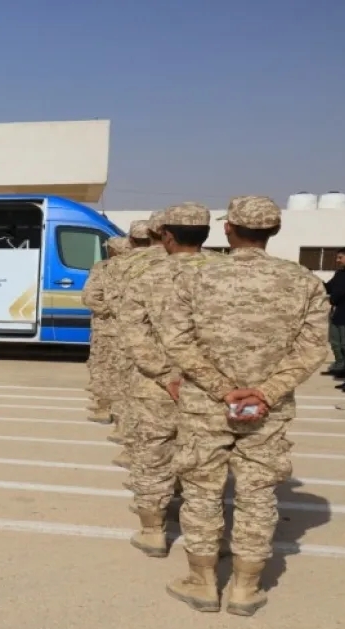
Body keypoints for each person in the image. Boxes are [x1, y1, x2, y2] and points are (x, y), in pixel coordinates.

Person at [159, 196, 329, 616]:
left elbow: (176, 340)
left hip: (205, 406)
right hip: (267, 412)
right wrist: (266, 392)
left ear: (228, 228)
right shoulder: (304, 281)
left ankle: (202, 583)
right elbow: (313, 349)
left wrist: (222, 389)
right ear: (275, 231)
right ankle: (245, 589)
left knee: (202, 491)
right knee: (257, 495)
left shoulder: (196, 277)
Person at [118, 203, 225, 558]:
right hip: (213, 387)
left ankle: (153, 531)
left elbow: (133, 333)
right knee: (207, 461)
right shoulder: (224, 272)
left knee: (154, 453)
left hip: (157, 384)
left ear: (166, 235)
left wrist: (166, 376)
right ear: (207, 233)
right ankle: (210, 536)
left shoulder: (146, 275)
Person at [108, 214, 167, 467]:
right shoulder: (209, 263)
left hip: (141, 345)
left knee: (137, 399)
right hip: (191, 357)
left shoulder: (126, 264)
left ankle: (132, 450)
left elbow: (115, 304)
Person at [81, 236, 132, 424]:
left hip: (106, 328)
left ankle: (104, 409)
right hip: (132, 329)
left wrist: (110, 311)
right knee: (124, 372)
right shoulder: (139, 267)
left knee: (104, 369)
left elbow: (90, 297)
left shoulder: (104, 268)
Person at [324, 247, 345, 394]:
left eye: (340, 257)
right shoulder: (340, 273)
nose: (338, 261)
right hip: (344, 315)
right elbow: (328, 288)